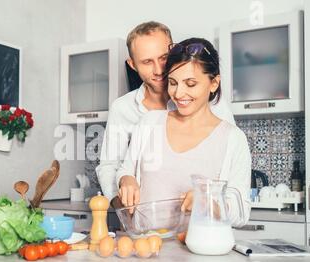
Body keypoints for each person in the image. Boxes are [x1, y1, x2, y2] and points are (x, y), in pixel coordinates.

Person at [96, 22, 235, 206]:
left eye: (163, 58)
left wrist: (211, 203)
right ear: (133, 65)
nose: (159, 69)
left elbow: (230, 162)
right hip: (144, 222)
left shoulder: (211, 102)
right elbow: (109, 166)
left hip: (201, 220)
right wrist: (122, 206)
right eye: (147, 62)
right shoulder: (122, 109)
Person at [116, 38, 251, 227]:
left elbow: (242, 213)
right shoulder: (149, 123)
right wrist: (126, 179)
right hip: (145, 250)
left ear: (213, 83)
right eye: (173, 82)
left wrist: (209, 203)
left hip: (200, 253)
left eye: (190, 83)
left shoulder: (233, 139)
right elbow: (126, 169)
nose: (179, 93)